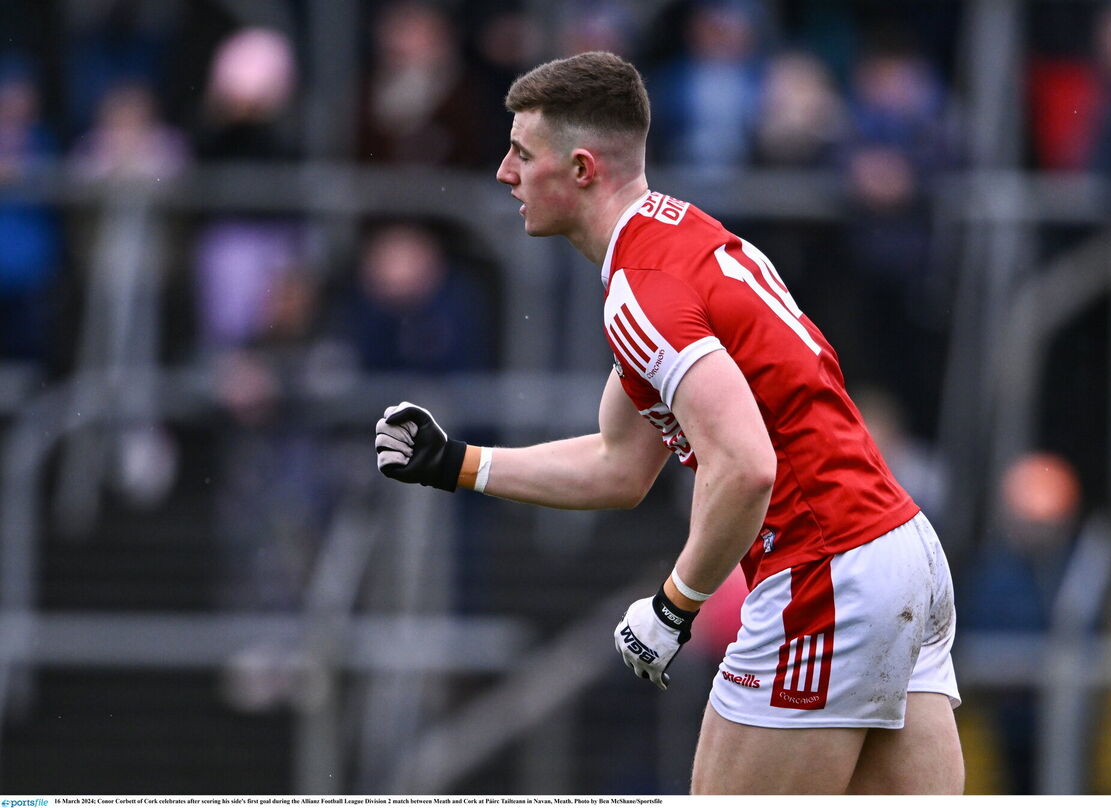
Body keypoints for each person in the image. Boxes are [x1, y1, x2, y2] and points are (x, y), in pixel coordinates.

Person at [374, 51, 963, 794]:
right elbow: (620, 466)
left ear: (582, 168)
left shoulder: (642, 292)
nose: (504, 172)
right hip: (900, 549)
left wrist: (674, 606)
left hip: (826, 568)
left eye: (522, 153)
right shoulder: (680, 238)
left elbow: (746, 466)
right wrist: (457, 462)